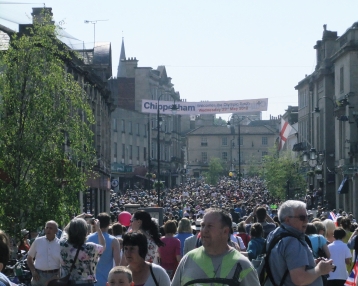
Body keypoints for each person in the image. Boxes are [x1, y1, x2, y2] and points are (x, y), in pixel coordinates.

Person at [172, 208, 260, 286]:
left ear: (225, 231)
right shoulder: (187, 260)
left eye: (210, 226)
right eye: (203, 225)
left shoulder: (243, 265)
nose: (204, 230)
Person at [265, 200, 335, 286]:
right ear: (287, 220)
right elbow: (300, 279)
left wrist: (311, 264)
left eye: (307, 216)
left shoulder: (274, 234)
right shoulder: (292, 242)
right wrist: (320, 269)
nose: (306, 220)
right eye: (302, 217)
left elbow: (284, 265)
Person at [58, 214, 106, 285]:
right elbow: (103, 246)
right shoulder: (90, 247)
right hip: (86, 283)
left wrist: (75, 219)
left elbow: (65, 230)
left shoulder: (63, 244)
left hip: (68, 282)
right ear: (86, 232)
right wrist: (98, 229)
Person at [87, 213, 121, 285]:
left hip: (90, 280)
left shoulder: (88, 238)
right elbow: (118, 263)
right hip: (106, 280)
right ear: (109, 224)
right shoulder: (114, 240)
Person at [27, 220, 61, 286]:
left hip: (54, 277)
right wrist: (33, 271)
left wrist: (58, 275)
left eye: (51, 228)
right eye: (47, 228)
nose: (48, 230)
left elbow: (63, 263)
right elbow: (29, 258)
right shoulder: (38, 241)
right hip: (38, 276)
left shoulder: (60, 244)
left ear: (56, 231)